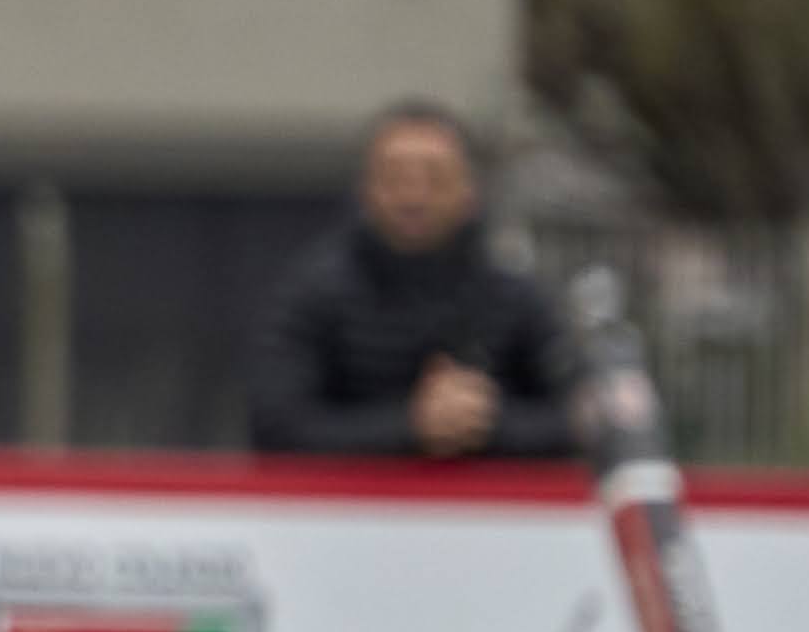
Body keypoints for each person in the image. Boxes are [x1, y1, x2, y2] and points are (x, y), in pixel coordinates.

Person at [247, 101, 583, 460]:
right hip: (351, 511)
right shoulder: (314, 294)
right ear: (366, 190)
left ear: (470, 190)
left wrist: (488, 423)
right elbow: (276, 426)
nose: (413, 197)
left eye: (435, 179)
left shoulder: (515, 298)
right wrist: (408, 427)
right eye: (395, 179)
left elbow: (585, 417)